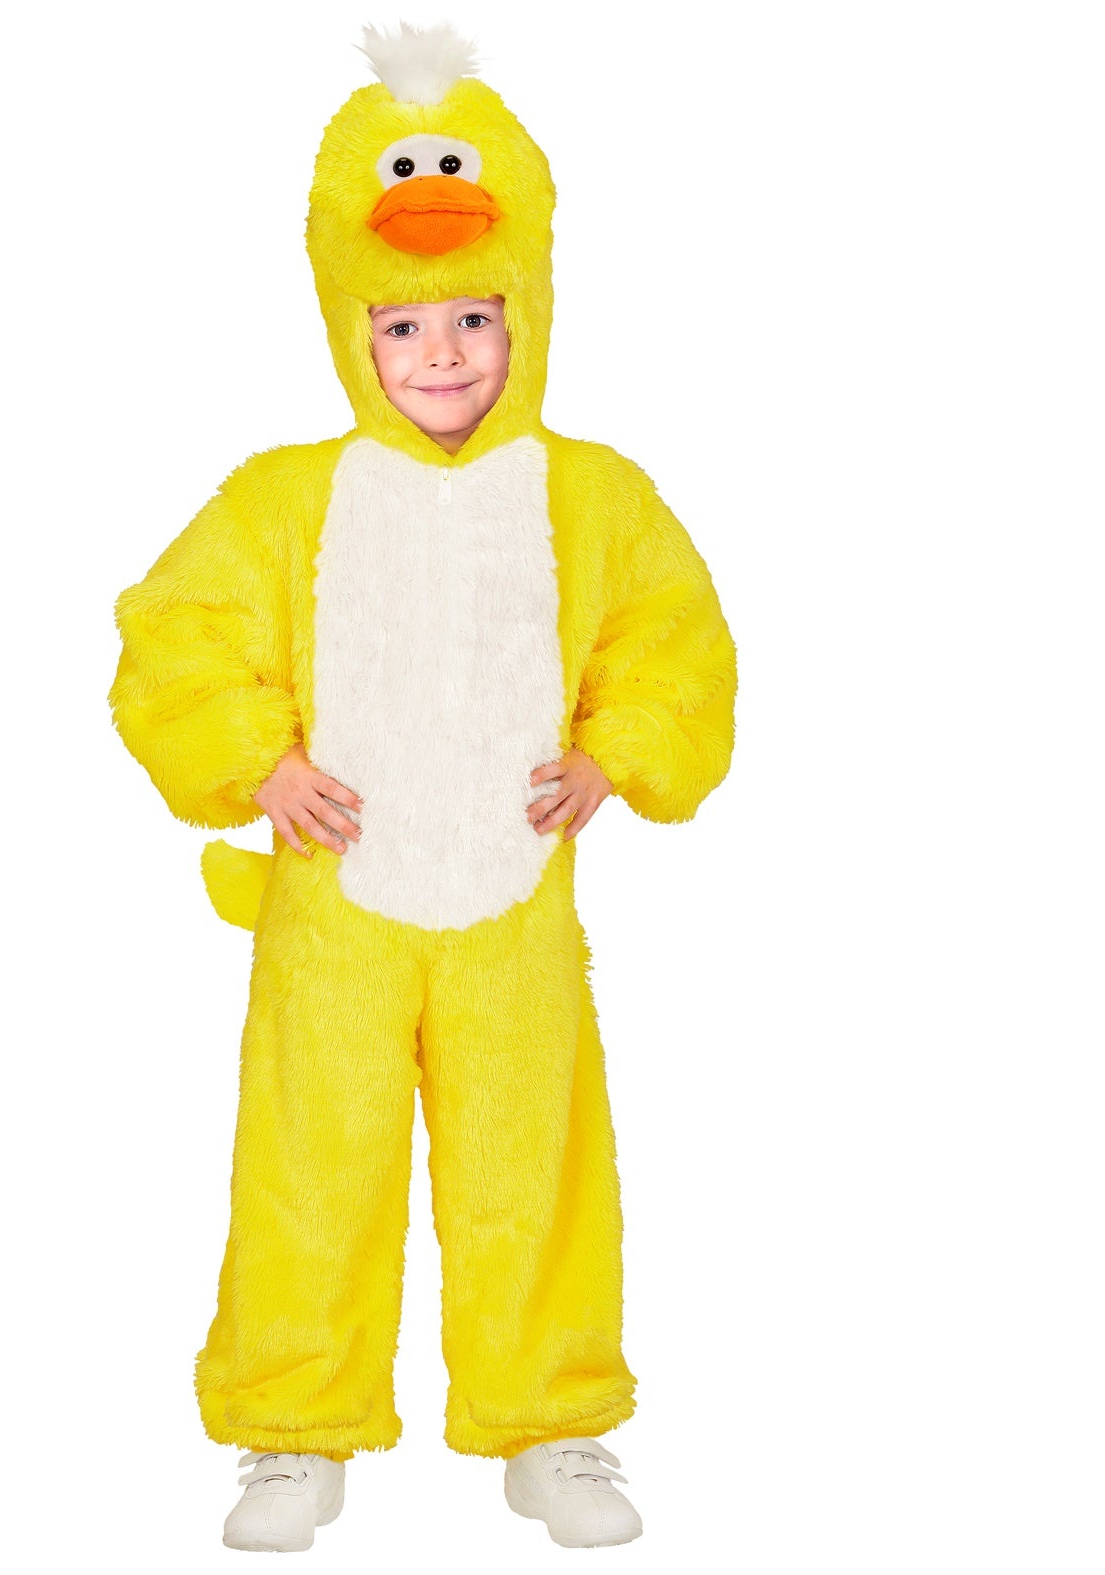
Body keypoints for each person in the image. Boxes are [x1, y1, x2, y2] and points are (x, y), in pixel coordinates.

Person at [107, 22, 736, 1553]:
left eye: (472, 317)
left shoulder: (592, 496)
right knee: (310, 1166)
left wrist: (616, 756)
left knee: (535, 1164)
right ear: (348, 324)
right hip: (333, 911)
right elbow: (177, 635)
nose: (441, 354)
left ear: (527, 310)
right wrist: (256, 758)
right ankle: (290, 1432)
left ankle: (551, 1423)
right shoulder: (283, 498)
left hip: (514, 913)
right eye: (401, 326)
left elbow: (672, 637)